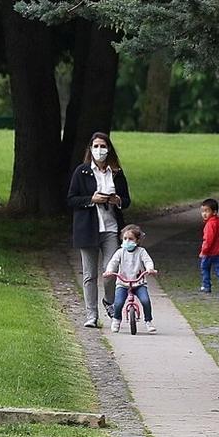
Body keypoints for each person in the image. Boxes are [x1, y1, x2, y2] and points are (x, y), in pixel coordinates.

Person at [68, 132, 132, 327]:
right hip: (88, 228)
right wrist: (91, 200)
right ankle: (91, 315)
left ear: (109, 149)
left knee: (111, 271)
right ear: (90, 149)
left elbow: (127, 200)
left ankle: (109, 301)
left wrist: (117, 200)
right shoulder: (82, 172)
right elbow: (71, 199)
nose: (99, 150)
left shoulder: (116, 173)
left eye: (102, 146)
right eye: (95, 146)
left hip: (111, 228)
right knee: (89, 275)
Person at [105, 224, 157, 333]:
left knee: (145, 300)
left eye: (130, 239)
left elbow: (148, 261)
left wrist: (150, 269)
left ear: (137, 240)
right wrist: (109, 271)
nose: (127, 241)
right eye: (125, 239)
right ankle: (116, 319)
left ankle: (148, 321)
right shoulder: (120, 252)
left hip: (139, 283)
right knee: (118, 303)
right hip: (123, 283)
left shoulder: (141, 252)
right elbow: (113, 262)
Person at [199, 198, 219, 294]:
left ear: (214, 212)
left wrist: (203, 251)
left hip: (209, 252)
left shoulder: (210, 225)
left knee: (205, 268)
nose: (204, 214)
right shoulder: (218, 222)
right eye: (203, 211)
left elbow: (208, 240)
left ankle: (206, 285)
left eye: (206, 211)